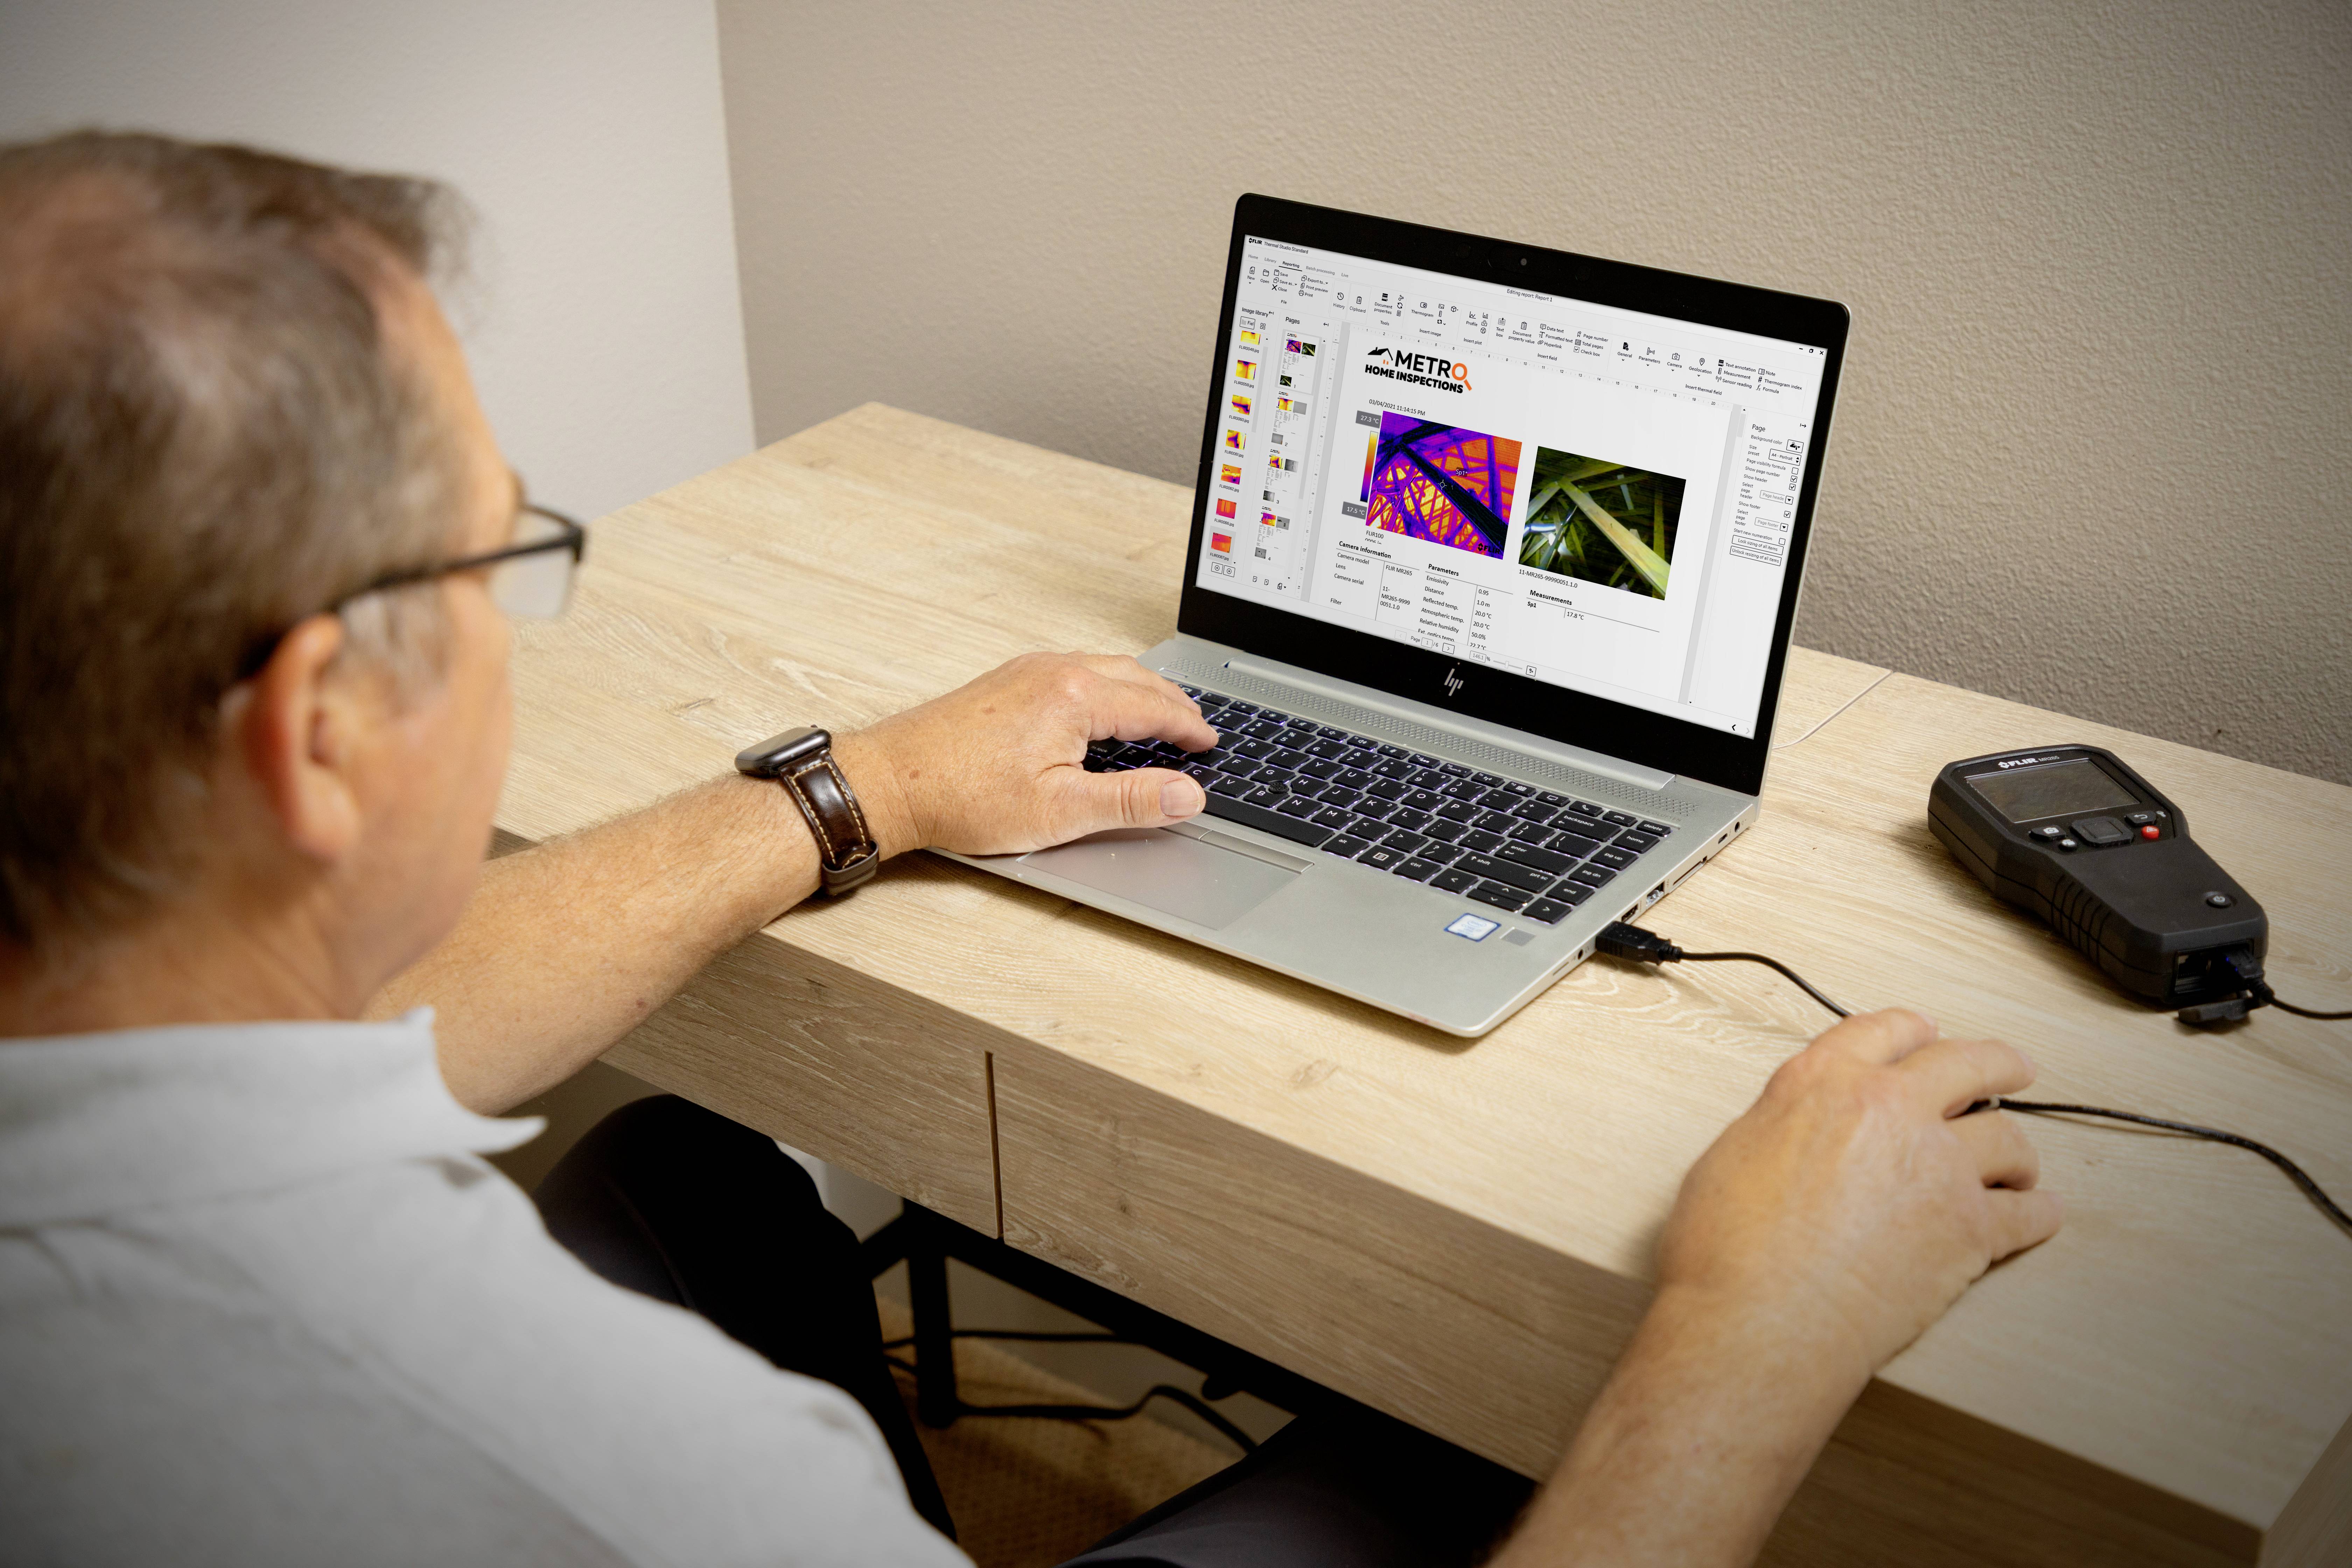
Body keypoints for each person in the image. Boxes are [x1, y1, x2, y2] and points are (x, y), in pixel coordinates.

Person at [0, 132, 2063, 1568]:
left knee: (680, 1176)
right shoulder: (636, 1483)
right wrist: (1749, 1329)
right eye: (498, 554)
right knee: (1425, 1464)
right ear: (318, 735)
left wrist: (865, 792)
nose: (519, 605)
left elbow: (375, 1024)